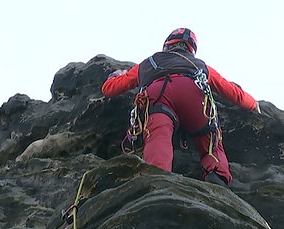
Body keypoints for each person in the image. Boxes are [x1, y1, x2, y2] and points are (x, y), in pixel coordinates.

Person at [101, 28, 259, 186]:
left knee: (158, 136)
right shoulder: (200, 65)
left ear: (167, 44)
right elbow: (231, 91)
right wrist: (253, 103)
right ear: (192, 48)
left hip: (158, 96)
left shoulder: (148, 63)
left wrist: (115, 76)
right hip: (193, 94)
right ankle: (217, 174)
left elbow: (110, 89)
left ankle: (157, 176)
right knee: (210, 138)